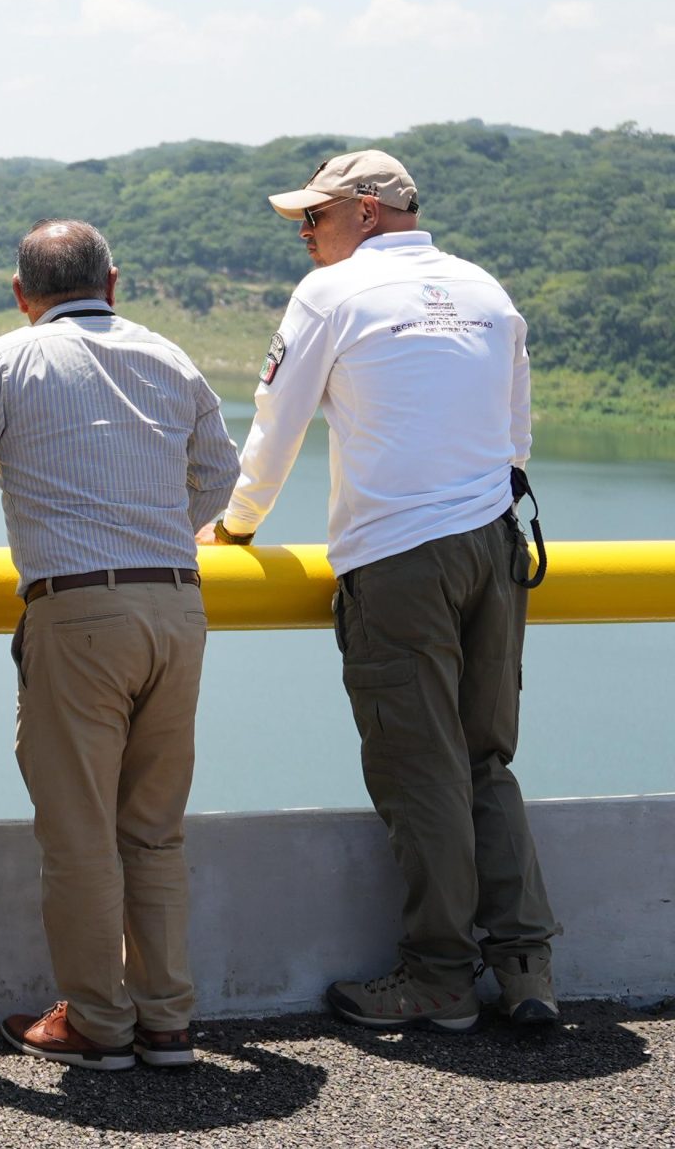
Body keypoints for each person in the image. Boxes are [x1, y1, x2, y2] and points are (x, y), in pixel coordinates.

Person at [0, 220, 238, 1071]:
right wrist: (159, 527)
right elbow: (221, 474)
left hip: (81, 614)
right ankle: (167, 1021)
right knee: (154, 830)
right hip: (178, 607)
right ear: (113, 282)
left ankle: (98, 1021)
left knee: (80, 834)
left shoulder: (8, 359)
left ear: (21, 294)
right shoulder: (170, 356)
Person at [201, 150, 558, 1034]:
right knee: (485, 758)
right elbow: (515, 438)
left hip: (400, 558)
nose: (304, 234)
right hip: (496, 545)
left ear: (365, 211)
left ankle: (439, 978)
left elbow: (275, 428)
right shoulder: (486, 290)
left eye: (313, 216)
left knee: (419, 765)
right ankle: (526, 970)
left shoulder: (333, 294)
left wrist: (235, 526)